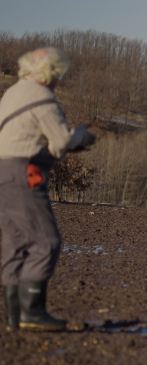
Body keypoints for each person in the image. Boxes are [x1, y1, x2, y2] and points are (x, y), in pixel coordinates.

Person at [0, 47, 95, 331]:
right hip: (22, 172)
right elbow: (61, 143)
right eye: (59, 73)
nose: (59, 79)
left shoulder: (12, 93)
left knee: (14, 242)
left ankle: (13, 316)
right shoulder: (44, 99)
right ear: (50, 73)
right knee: (46, 241)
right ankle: (32, 313)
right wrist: (81, 136)